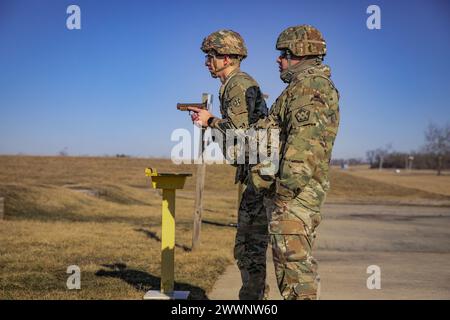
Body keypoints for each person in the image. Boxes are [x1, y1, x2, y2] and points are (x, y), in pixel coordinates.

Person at [191, 25, 340, 300]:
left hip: (290, 196)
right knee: (275, 262)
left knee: (295, 273)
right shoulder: (299, 88)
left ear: (301, 53)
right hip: (277, 188)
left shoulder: (310, 88)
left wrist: (279, 194)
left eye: (284, 53)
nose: (278, 59)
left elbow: (302, 152)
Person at [199, 29, 269, 300]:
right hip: (256, 172)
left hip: (259, 175)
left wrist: (210, 121)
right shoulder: (235, 84)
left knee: (248, 247)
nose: (207, 62)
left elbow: (238, 131)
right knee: (249, 246)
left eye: (211, 56)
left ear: (227, 57)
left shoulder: (237, 85)